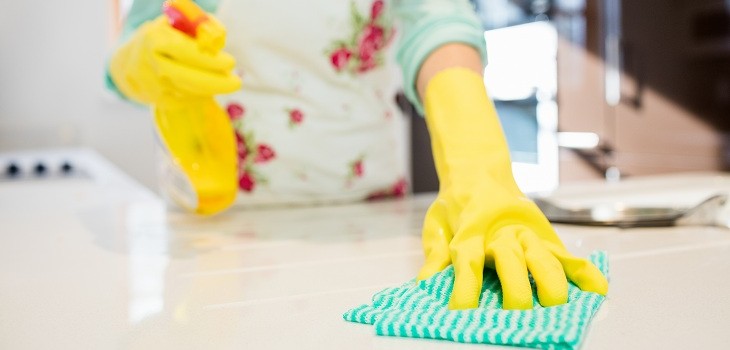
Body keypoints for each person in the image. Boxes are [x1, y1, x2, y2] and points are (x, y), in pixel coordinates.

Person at [107, 0, 608, 311]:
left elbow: (438, 22)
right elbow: (124, 60)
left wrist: (481, 173)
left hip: (368, 215)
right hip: (214, 229)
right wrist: (138, 61)